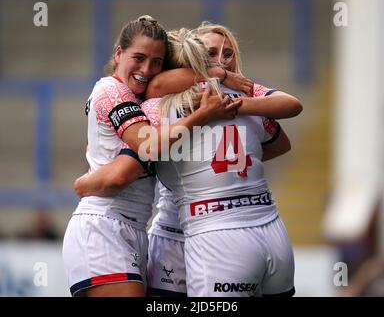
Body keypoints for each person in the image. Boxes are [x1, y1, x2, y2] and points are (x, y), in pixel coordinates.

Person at [75, 27, 300, 297]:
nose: (220, 61)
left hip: (207, 230)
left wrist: (83, 183)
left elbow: (124, 170)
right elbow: (282, 139)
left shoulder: (158, 106)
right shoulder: (240, 98)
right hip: (245, 226)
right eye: (210, 54)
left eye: (227, 54)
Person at [62, 16, 237, 297]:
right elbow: (137, 157)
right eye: (139, 58)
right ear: (119, 53)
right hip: (104, 227)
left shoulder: (141, 100)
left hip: (132, 227)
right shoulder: (112, 90)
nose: (146, 69)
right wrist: (205, 112)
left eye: (156, 62)